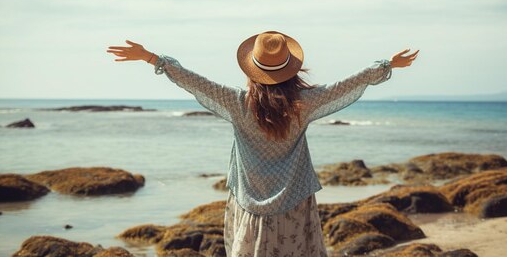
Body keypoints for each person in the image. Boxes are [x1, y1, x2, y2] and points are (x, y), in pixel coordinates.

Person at [107, 30, 418, 256]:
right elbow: (346, 85)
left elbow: (192, 80)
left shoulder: (236, 101)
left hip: (249, 203)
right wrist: (387, 65)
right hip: (294, 199)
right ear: (291, 70)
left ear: (252, 69)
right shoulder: (304, 103)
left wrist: (149, 57)